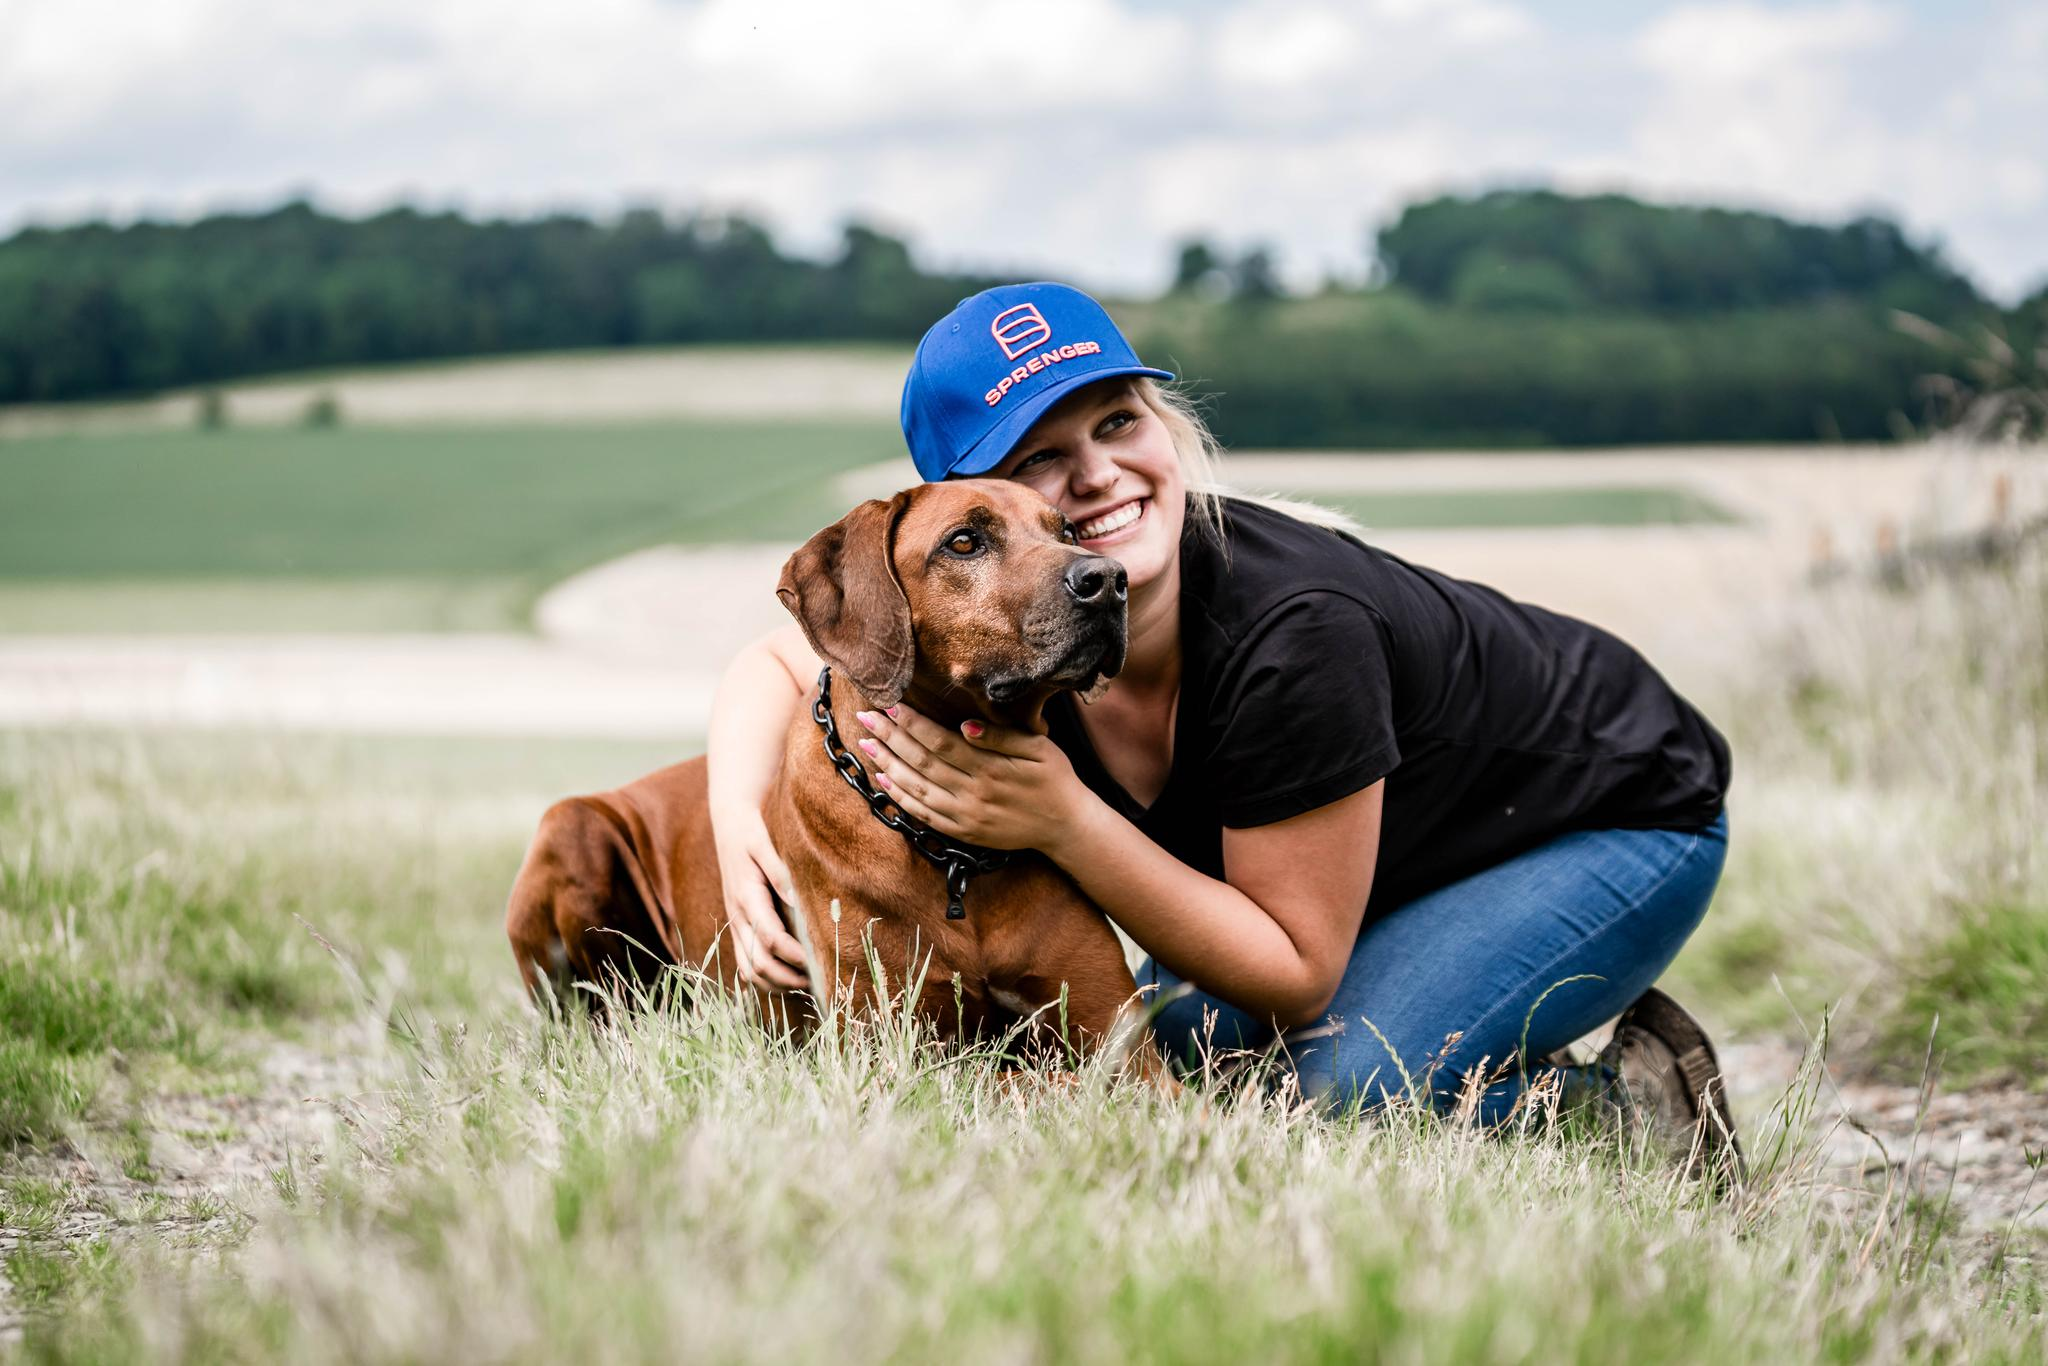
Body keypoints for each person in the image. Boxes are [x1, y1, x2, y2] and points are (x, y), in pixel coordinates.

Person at [707, 282, 1737, 1156]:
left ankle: (1638, 1109)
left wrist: (1063, 818)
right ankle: (1460, 1009)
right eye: (1036, 457)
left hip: (1617, 817)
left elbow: (1293, 973)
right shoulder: (1005, 621)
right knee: (1193, 1046)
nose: (1097, 474)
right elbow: (772, 661)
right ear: (960, 508)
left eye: (1117, 422)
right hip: (1398, 859)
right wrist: (735, 823)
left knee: (1340, 1095)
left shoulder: (1295, 635)